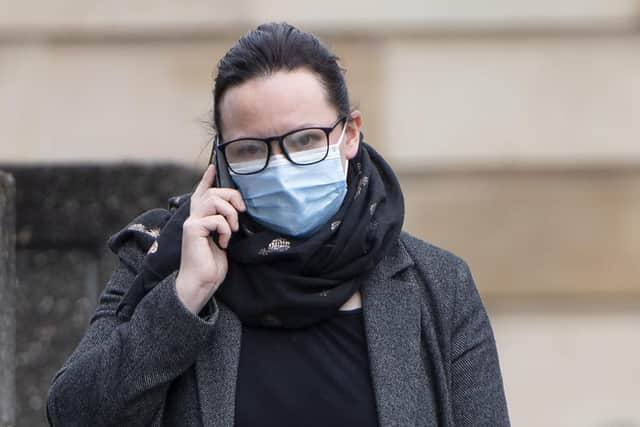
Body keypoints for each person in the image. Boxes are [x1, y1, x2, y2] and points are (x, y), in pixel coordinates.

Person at [46, 22, 510, 427]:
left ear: (349, 133)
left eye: (305, 140)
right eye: (251, 149)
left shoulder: (438, 287)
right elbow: (74, 414)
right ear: (220, 159)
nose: (282, 166)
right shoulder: (162, 259)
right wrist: (184, 297)